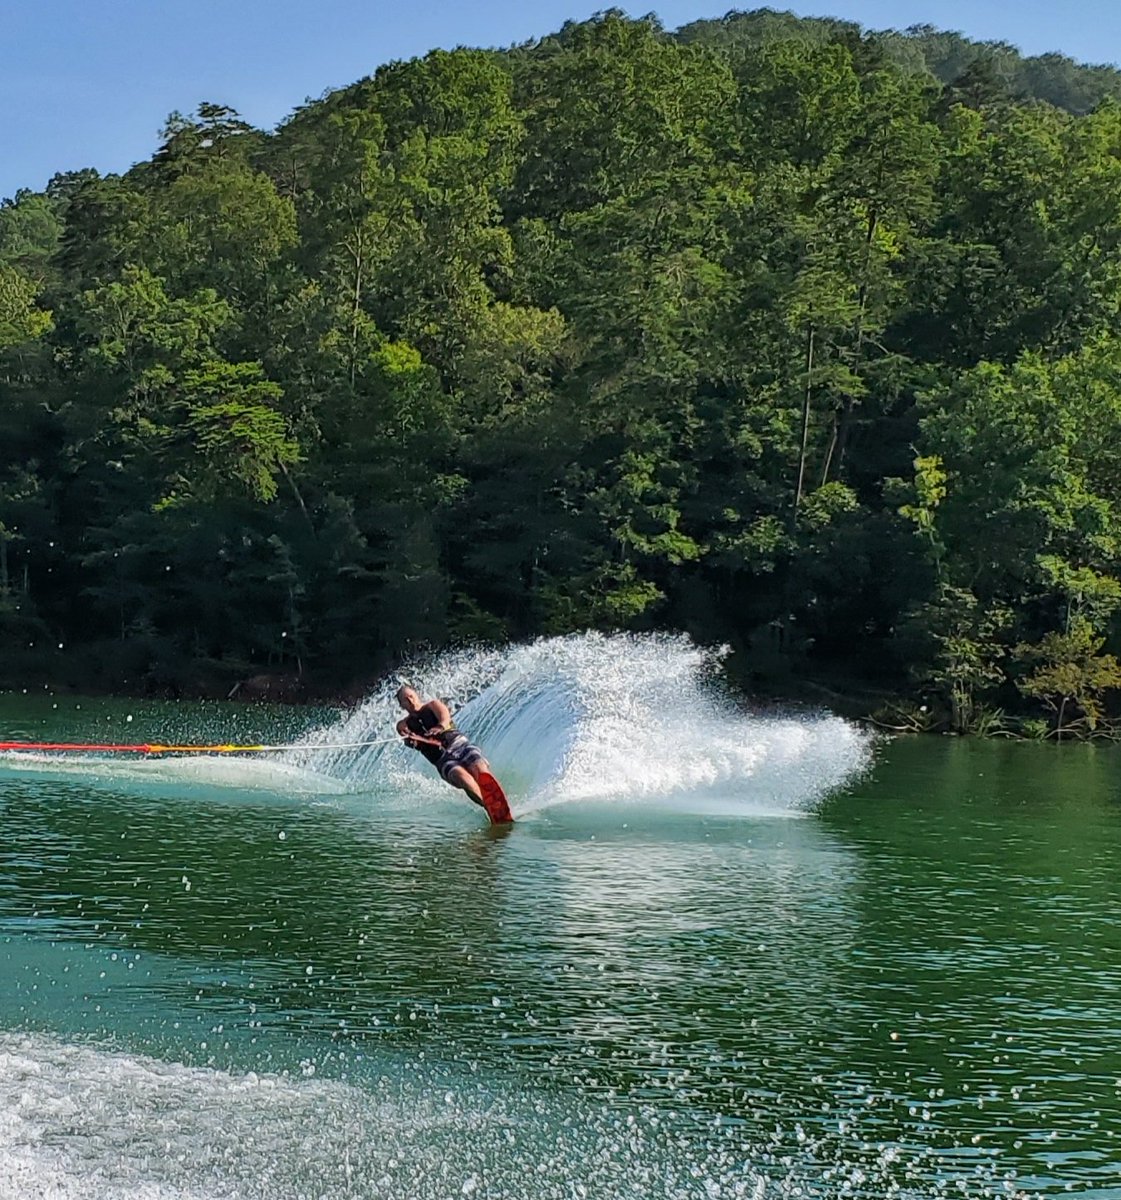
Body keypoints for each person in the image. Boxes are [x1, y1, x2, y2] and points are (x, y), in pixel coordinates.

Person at [395, 685, 493, 810]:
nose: (410, 701)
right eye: (405, 700)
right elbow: (403, 732)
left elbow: (445, 717)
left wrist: (440, 726)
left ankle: (494, 794)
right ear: (401, 706)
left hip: (459, 745)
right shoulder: (403, 724)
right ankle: (489, 807)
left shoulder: (433, 705)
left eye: (411, 696)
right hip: (442, 759)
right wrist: (411, 740)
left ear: (417, 695)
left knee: (479, 768)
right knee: (462, 777)